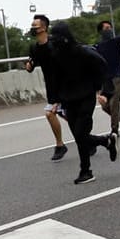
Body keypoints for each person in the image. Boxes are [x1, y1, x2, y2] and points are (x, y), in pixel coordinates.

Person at [45, 23, 119, 184]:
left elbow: (103, 68)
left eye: (57, 39)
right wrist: (55, 101)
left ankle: (86, 170)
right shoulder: (55, 55)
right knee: (80, 137)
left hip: (86, 96)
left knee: (80, 133)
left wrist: (105, 92)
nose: (54, 42)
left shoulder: (84, 52)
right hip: (67, 100)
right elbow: (54, 80)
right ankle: (105, 142)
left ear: (65, 39)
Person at [23, 14, 70, 161]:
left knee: (52, 114)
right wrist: (29, 66)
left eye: (35, 27)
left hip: (64, 84)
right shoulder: (35, 48)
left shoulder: (55, 43)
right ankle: (82, 141)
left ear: (44, 28)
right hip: (50, 86)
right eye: (32, 26)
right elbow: (32, 64)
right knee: (64, 115)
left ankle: (62, 144)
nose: (32, 29)